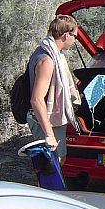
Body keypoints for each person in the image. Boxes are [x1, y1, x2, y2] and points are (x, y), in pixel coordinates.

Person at [28, 15, 81, 164]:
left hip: (47, 119)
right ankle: (47, 189)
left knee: (55, 162)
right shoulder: (48, 61)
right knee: (52, 164)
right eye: (75, 36)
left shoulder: (43, 52)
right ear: (66, 35)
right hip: (46, 120)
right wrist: (49, 134)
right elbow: (36, 99)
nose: (75, 40)